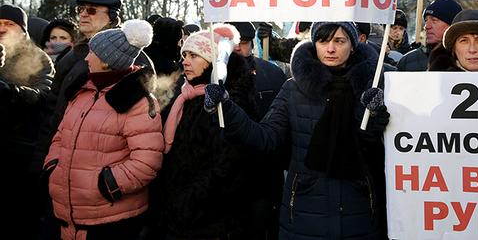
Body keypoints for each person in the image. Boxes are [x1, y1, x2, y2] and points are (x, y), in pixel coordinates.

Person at [204, 21, 390, 240]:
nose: (330, 49)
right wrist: (226, 108)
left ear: (353, 45)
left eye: (339, 41)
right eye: (323, 41)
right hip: (303, 214)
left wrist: (376, 116)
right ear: (314, 44)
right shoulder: (293, 89)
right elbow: (266, 138)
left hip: (359, 214)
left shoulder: (373, 87)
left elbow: (381, 148)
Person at [32, 0, 153, 239]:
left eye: (91, 10)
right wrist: (50, 163)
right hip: (63, 179)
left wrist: (107, 183)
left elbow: (146, 140)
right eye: (80, 10)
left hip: (104, 201)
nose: (83, 15)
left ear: (112, 17)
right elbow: (54, 112)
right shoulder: (72, 55)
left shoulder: (136, 60)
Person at [150, 24, 259, 240]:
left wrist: (189, 202)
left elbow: (228, 166)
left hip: (211, 219)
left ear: (212, 61)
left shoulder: (228, 101)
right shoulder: (183, 95)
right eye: (184, 55)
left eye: (194, 55)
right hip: (177, 214)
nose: (185, 61)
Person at [0, 4, 54, 239]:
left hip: (20, 151)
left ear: (23, 30)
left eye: (9, 24)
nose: (2, 28)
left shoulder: (38, 58)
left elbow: (43, 95)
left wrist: (9, 91)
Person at [230, 21, 288, 240]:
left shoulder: (272, 73)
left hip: (265, 171)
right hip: (227, 173)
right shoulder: (213, 75)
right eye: (232, 42)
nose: (237, 47)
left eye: (243, 42)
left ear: (252, 44)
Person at [397, 0, 462, 71]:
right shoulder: (407, 61)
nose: (427, 26)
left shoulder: (467, 59)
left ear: (452, 25)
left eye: (434, 20)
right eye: (426, 21)